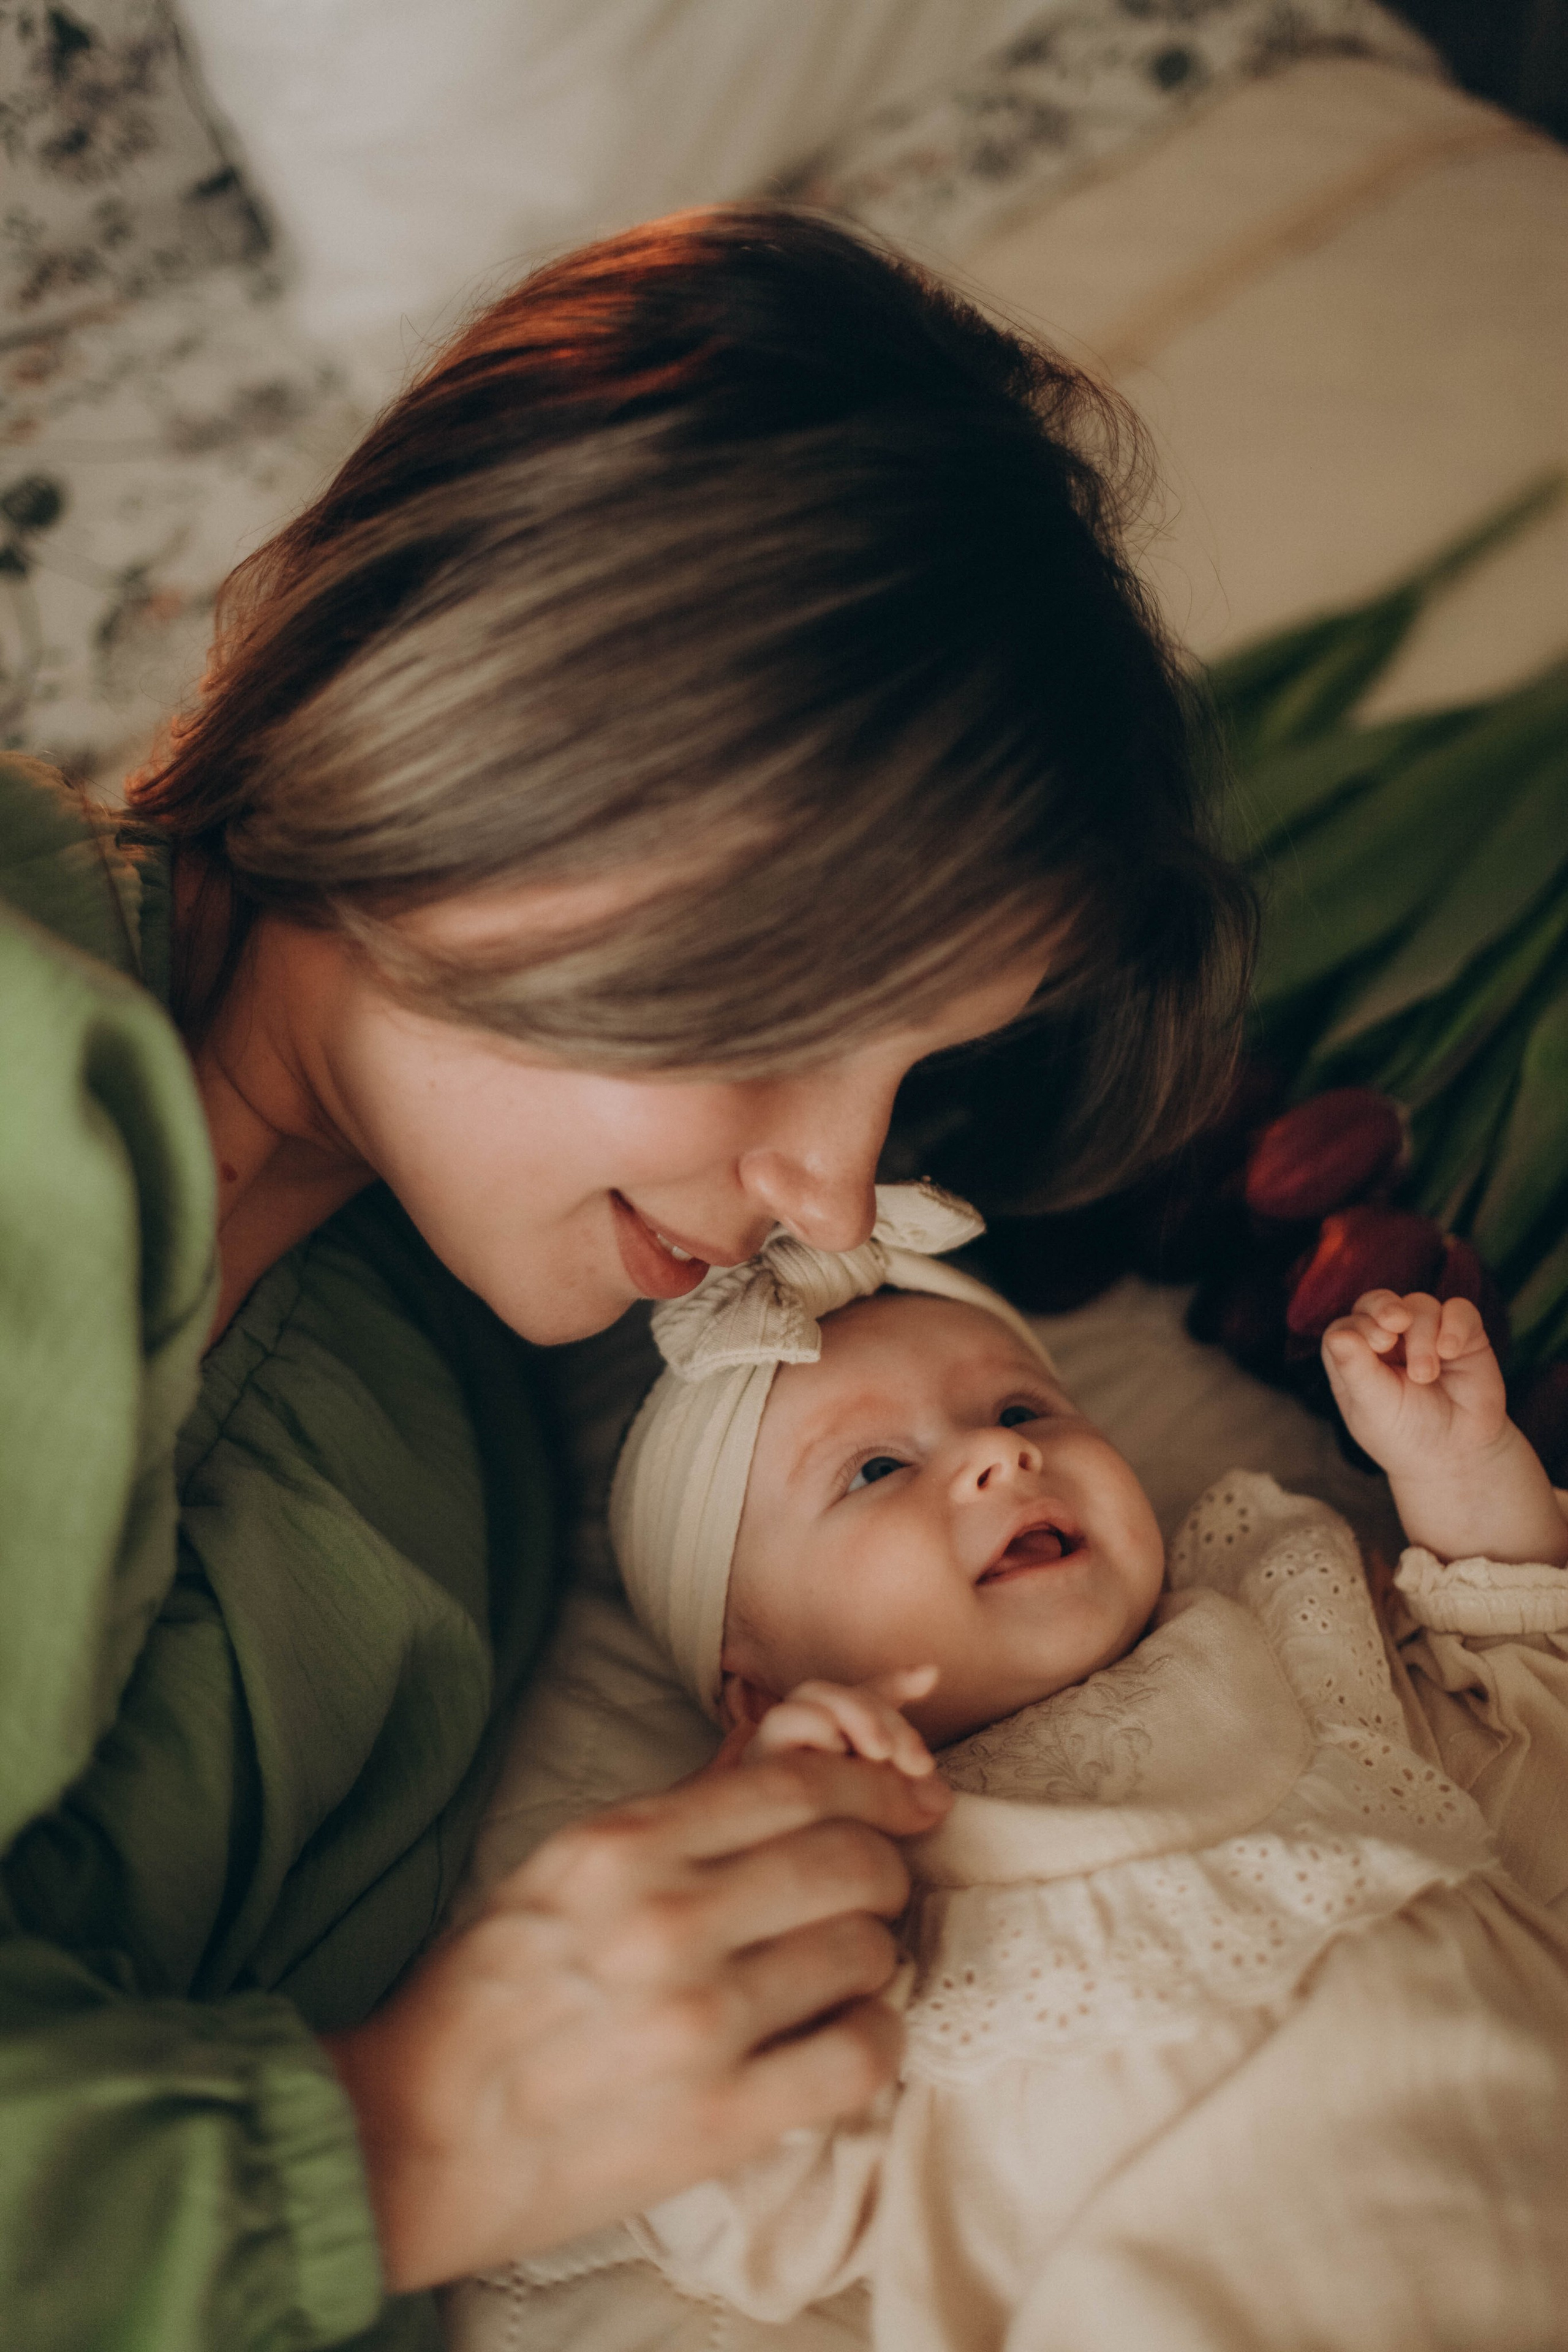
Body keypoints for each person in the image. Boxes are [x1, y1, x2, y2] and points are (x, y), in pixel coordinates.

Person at [0, 208, 1254, 2349]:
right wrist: (391, 2143)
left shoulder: (470, 1430)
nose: (828, 1187)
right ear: (505, 730)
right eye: (785, 1009)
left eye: (908, 1072)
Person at [603, 1183, 1568, 2351]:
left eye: (1023, 1407)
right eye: (875, 1470)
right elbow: (742, 2214)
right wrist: (750, 1874)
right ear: (757, 1691)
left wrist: (1461, 1469)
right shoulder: (858, 1896)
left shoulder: (1280, 1615)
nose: (1001, 1453)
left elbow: (1530, 1727)